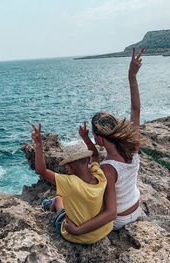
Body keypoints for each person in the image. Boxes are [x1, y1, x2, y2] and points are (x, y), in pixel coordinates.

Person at [64, 48, 145, 234]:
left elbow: (110, 213)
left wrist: (78, 230)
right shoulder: (131, 145)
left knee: (72, 200)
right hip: (136, 207)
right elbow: (136, 110)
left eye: (93, 136)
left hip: (120, 219)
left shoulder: (108, 168)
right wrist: (132, 75)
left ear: (99, 138)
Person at [31, 124, 113, 244]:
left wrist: (39, 145)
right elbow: (95, 154)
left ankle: (47, 205)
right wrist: (85, 137)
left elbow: (41, 171)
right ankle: (50, 203)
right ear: (88, 160)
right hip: (101, 231)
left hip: (77, 236)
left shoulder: (69, 183)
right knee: (62, 199)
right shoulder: (100, 175)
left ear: (69, 167)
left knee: (59, 199)